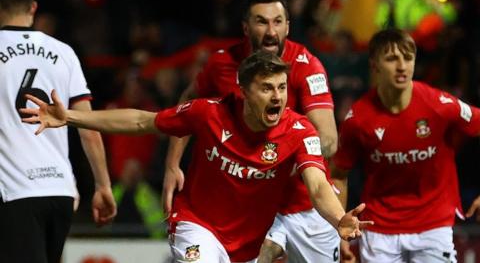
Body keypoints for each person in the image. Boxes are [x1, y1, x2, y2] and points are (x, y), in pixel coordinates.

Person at [21, 51, 372, 262]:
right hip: (196, 224)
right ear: (244, 90)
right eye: (266, 88)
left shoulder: (299, 132)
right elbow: (142, 121)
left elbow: (317, 184)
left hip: (245, 246)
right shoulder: (208, 113)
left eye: (281, 87)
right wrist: (69, 116)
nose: (277, 96)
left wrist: (337, 216)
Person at [162, 0, 342, 262]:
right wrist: (172, 164)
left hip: (304, 204)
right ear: (246, 28)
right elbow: (188, 105)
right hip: (250, 205)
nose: (271, 32)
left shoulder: (306, 67)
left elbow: (328, 138)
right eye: (262, 22)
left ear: (288, 27)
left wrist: (285, 159)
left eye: (278, 22)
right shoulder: (221, 63)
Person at [331, 28, 480, 263]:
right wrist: (339, 225)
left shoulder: (440, 105)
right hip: (379, 229)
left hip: (433, 224)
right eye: (392, 59)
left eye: (408, 57)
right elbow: (339, 174)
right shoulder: (357, 120)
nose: (402, 66)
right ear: (374, 66)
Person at [0, 0, 117, 262]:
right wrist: (103, 186)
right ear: (33, 7)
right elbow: (88, 126)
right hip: (60, 190)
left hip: (14, 192)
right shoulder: (63, 52)